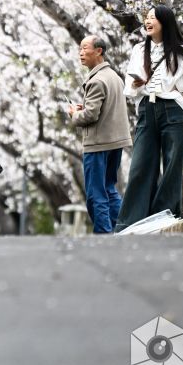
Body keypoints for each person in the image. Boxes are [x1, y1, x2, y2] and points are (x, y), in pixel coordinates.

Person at [115, 5, 183, 232]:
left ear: (164, 22)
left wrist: (178, 85)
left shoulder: (179, 50)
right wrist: (137, 84)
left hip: (173, 110)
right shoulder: (140, 49)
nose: (148, 21)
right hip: (146, 110)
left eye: (153, 18)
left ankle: (163, 218)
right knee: (140, 166)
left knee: (172, 166)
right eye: (147, 18)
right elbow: (129, 83)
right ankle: (130, 223)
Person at [68, 35, 132, 234]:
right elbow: (106, 109)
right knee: (109, 188)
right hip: (115, 142)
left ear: (99, 51)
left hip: (98, 144)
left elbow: (91, 115)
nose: (81, 53)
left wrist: (75, 114)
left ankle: (103, 235)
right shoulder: (114, 77)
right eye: (80, 48)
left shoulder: (96, 81)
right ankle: (122, 230)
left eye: (85, 48)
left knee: (96, 194)